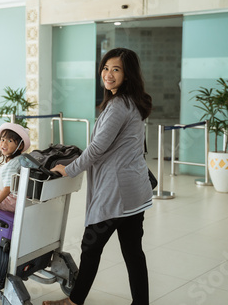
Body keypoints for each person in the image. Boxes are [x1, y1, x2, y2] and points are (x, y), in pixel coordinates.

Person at [44, 48, 153, 305]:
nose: (108, 74)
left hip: (116, 193)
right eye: (105, 68)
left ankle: (74, 301)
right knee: (133, 252)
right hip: (135, 192)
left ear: (128, 75)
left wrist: (68, 169)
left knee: (90, 247)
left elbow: (96, 149)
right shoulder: (132, 102)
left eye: (116, 69)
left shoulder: (118, 106)